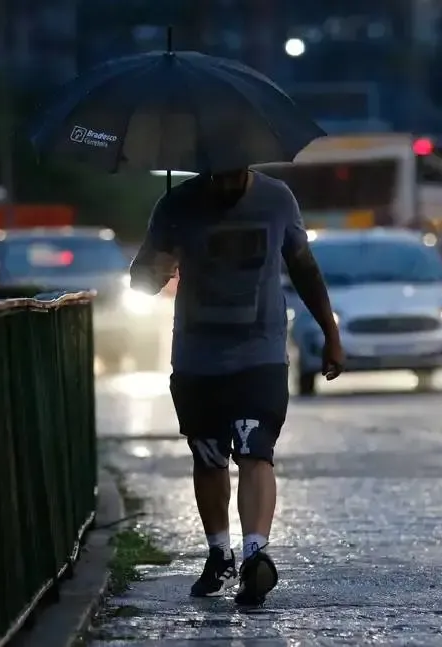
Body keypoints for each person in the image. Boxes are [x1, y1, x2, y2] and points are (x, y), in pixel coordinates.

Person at [128, 168, 344, 607]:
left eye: (234, 170)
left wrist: (330, 333)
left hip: (259, 356)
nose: (225, 181)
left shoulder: (276, 199)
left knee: (255, 449)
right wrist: (161, 265)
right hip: (196, 358)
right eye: (216, 172)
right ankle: (218, 553)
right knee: (208, 456)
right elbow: (141, 282)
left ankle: (254, 556)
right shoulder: (175, 205)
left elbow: (303, 266)